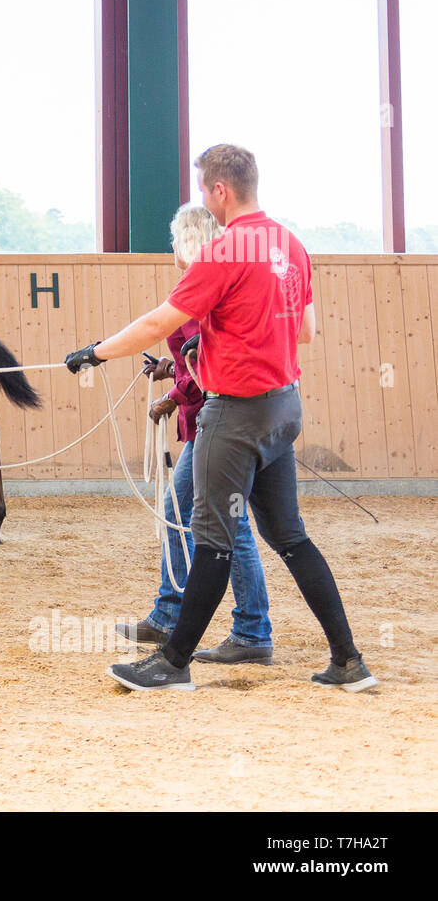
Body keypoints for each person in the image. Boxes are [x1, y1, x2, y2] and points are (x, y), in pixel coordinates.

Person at [65, 143, 376, 692]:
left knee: (211, 538)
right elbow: (304, 333)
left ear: (219, 191)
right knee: (289, 537)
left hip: (235, 416)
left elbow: (159, 320)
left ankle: (173, 661)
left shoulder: (224, 251)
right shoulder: (292, 245)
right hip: (284, 408)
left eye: (205, 190)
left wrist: (95, 351)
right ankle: (348, 662)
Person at [118, 204, 274, 664]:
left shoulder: (203, 287)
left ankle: (250, 630)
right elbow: (197, 358)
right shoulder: (223, 278)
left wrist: (175, 392)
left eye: (175, 239)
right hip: (225, 416)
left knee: (230, 521)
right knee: (195, 512)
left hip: (221, 419)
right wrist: (175, 373)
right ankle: (174, 612)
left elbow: (208, 365)